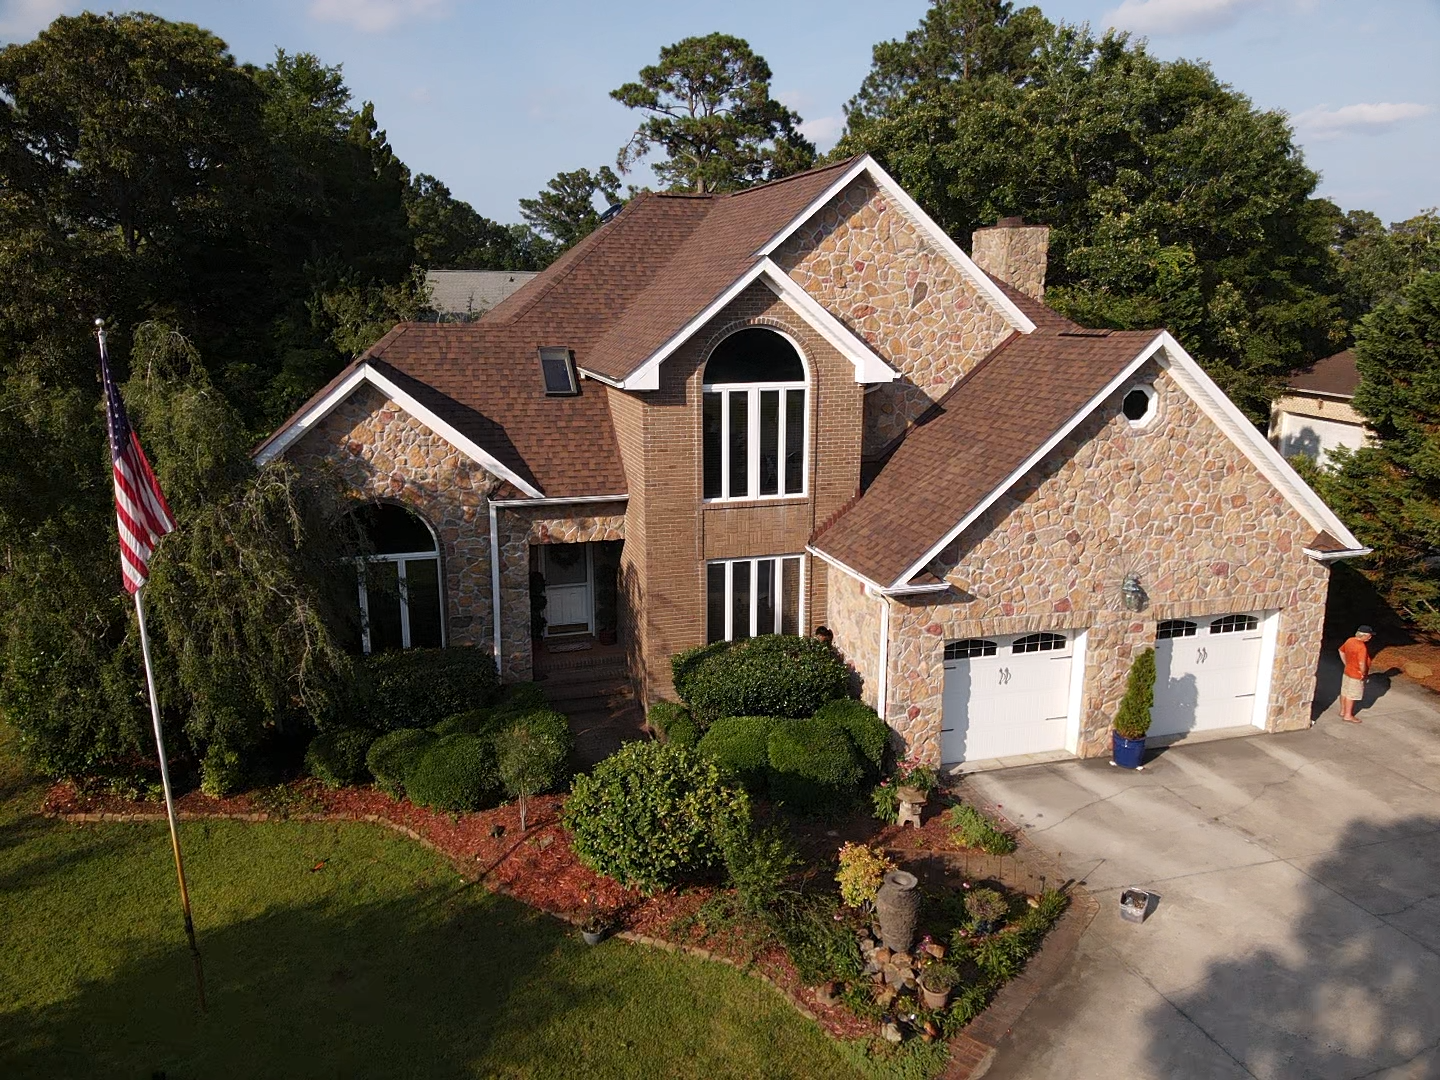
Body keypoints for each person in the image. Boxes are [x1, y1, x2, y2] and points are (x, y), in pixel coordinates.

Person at [1337, 625, 1374, 724]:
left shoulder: (1350, 640)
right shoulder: (1361, 647)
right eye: (1369, 635)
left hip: (1347, 671)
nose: (1370, 637)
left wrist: (1346, 663)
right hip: (1356, 674)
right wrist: (1363, 674)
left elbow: (1341, 651)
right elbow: (1362, 663)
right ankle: (1348, 715)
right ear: (1364, 635)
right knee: (1352, 694)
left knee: (1344, 691)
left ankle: (1343, 711)